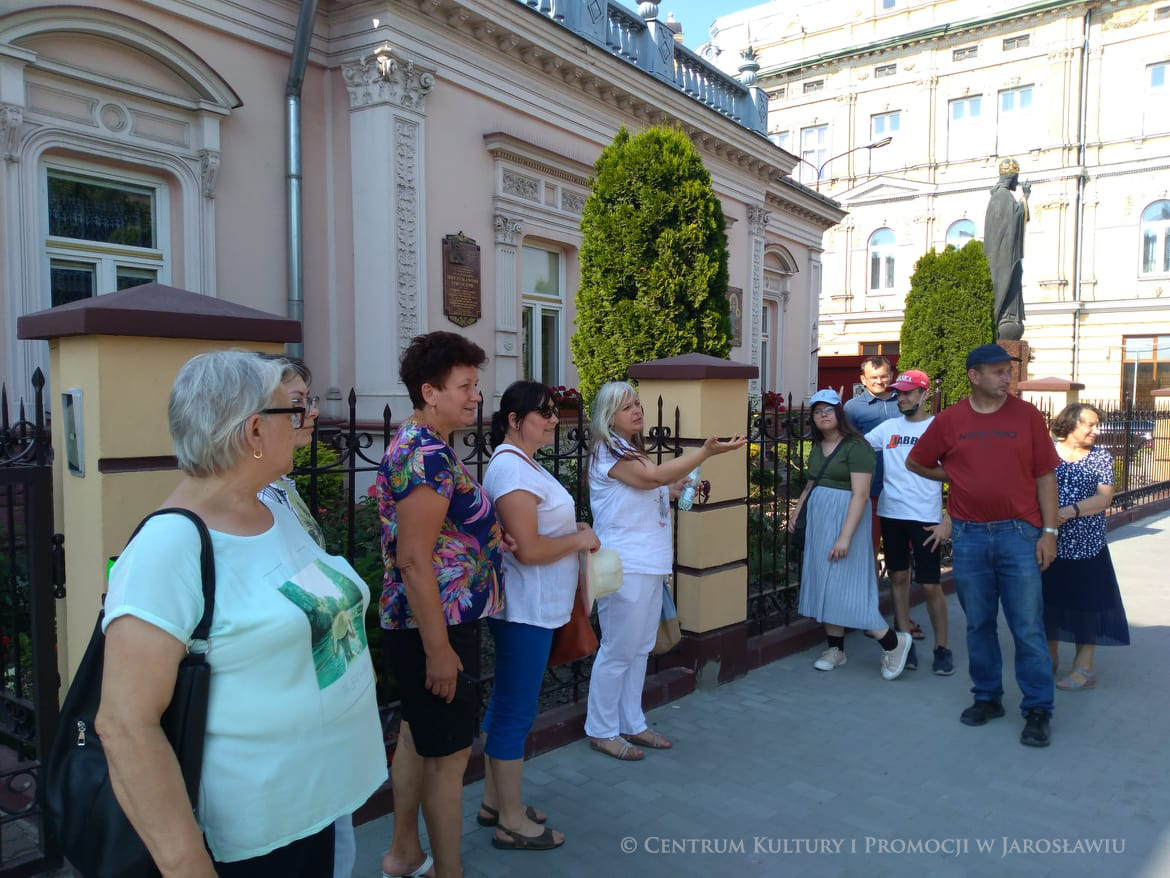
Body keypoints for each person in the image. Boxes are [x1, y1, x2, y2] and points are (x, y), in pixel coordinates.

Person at [97, 351, 385, 876]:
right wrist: (186, 864)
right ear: (254, 431)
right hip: (256, 838)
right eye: (290, 411)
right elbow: (123, 723)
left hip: (316, 807)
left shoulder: (273, 510)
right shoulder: (170, 547)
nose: (304, 421)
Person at [376, 331, 503, 878]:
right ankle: (446, 872)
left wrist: (488, 538)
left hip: (429, 620)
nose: (476, 396)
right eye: (465, 386)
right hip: (437, 626)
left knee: (417, 739)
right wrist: (438, 651)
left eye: (476, 385)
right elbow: (412, 559)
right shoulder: (425, 454)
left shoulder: (424, 444)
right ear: (431, 391)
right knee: (448, 760)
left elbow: (437, 534)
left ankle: (404, 853)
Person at [907, 343, 1060, 748]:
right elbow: (916, 462)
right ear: (975, 376)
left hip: (1019, 535)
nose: (1006, 377)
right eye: (997, 372)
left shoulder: (1027, 417)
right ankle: (988, 697)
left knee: (1027, 626)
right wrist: (953, 474)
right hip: (970, 537)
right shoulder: (951, 420)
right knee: (978, 624)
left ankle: (1039, 709)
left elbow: (1046, 476)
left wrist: (1049, 533)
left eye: (1008, 371)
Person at [584, 381, 745, 760]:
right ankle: (601, 729)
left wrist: (670, 492)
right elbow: (650, 478)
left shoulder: (627, 450)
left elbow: (646, 488)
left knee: (639, 648)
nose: (637, 410)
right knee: (619, 648)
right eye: (627, 407)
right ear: (609, 417)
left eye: (637, 403)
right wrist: (703, 453)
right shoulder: (609, 450)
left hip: (647, 562)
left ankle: (631, 722)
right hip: (627, 565)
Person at [479, 381, 600, 850]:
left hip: (536, 607)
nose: (553, 419)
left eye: (554, 412)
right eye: (544, 413)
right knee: (515, 710)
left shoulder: (524, 465)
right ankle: (511, 821)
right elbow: (527, 550)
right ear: (514, 419)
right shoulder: (511, 471)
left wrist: (574, 528)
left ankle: (495, 802)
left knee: (509, 702)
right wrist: (580, 541)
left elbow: (536, 530)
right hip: (524, 611)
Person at [256, 357, 358, 878]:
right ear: (252, 422)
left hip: (317, 695)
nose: (312, 414)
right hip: (283, 723)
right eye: (298, 405)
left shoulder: (281, 488)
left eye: (309, 401)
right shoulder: (244, 505)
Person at [790, 389, 913, 679]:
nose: (823, 415)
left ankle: (894, 643)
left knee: (848, 590)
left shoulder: (856, 447)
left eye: (828, 410)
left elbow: (860, 495)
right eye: (818, 411)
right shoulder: (818, 446)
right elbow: (810, 485)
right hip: (820, 524)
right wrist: (797, 511)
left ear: (839, 413)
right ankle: (836, 649)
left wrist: (844, 537)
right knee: (826, 585)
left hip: (846, 523)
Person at [863, 370, 953, 675]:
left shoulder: (939, 428)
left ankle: (942, 647)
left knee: (930, 585)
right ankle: (903, 643)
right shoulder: (888, 428)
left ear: (924, 395)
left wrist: (947, 520)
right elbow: (856, 448)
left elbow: (961, 477)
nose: (901, 398)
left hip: (927, 518)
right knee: (898, 578)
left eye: (908, 393)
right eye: (898, 393)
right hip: (891, 514)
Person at [1042, 403, 1130, 690]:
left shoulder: (1100, 457)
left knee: (1086, 605)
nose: (1096, 430)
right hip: (1049, 543)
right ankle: (1049, 657)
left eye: (1097, 424)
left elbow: (1105, 498)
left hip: (1087, 547)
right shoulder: (1046, 453)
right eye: (1089, 425)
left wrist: (1068, 511)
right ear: (1069, 425)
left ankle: (1084, 668)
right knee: (1048, 603)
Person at [983, 157, 1031, 341]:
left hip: (1007, 255)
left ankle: (1009, 316)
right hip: (1003, 257)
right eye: (1016, 178)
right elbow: (1014, 221)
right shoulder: (1002, 197)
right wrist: (1025, 198)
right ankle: (1005, 316)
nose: (1017, 182)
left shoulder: (1001, 196)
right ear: (1011, 177)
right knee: (1007, 284)